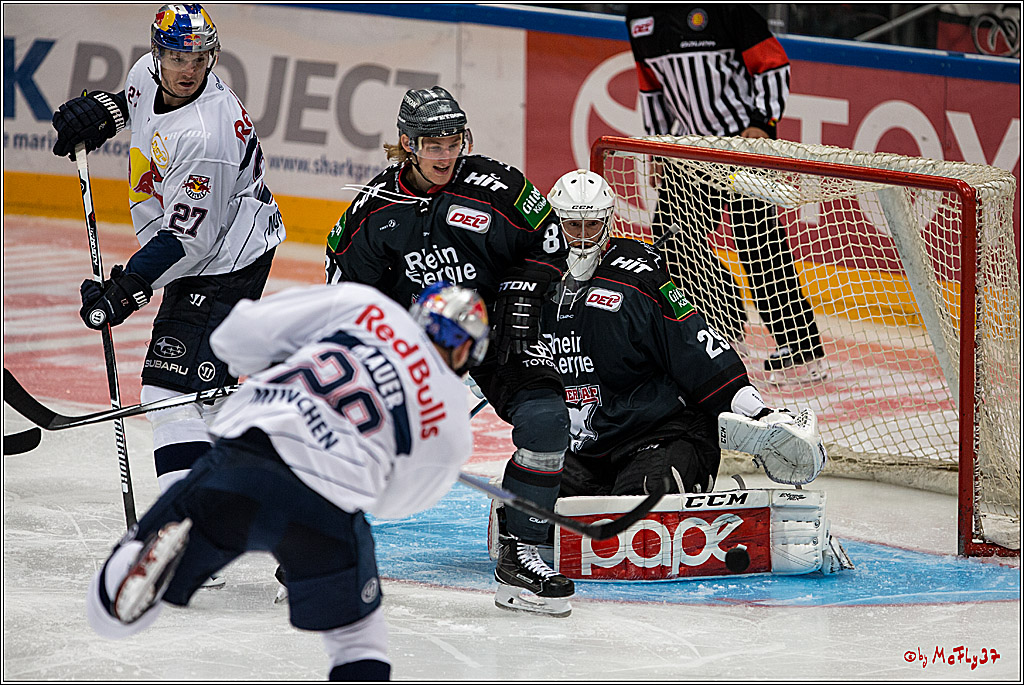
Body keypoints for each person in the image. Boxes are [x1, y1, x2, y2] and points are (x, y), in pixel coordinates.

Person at [85, 281, 490, 681]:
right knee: (359, 641)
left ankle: (136, 561)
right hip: (325, 511)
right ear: (465, 349)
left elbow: (235, 336)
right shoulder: (453, 417)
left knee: (110, 617)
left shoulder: (367, 305)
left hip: (244, 464)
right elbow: (392, 504)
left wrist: (278, 368)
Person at [325, 86, 575, 617]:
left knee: (548, 420)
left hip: (498, 328)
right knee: (356, 428)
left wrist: (523, 289)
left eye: (453, 140)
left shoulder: (498, 186)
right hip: (414, 340)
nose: (445, 154)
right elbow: (347, 289)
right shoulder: (373, 210)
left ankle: (522, 552)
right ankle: (319, 549)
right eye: (432, 142)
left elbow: (550, 240)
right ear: (406, 144)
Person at [50, 4, 285, 507]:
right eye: (176, 55)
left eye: (199, 57)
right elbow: (135, 104)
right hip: (203, 248)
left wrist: (125, 288)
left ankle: (186, 531)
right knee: (206, 399)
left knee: (167, 391)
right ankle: (261, 501)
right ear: (156, 53)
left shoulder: (207, 136)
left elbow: (190, 241)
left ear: (212, 57)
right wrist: (105, 113)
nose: (188, 69)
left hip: (224, 260)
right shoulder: (144, 74)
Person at [544, 169, 826, 498]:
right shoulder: (537, 282)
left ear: (607, 223)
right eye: (572, 225)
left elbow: (697, 345)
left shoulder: (638, 280)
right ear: (555, 224)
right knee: (525, 502)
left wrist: (757, 411)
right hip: (590, 446)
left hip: (660, 432)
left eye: (591, 224)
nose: (582, 237)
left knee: (640, 509)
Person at [625, 4, 826, 383]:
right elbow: (650, 87)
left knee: (760, 246)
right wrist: (657, 145)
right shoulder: (639, 17)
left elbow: (773, 63)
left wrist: (763, 123)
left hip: (742, 147)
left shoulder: (727, 9)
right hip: (689, 152)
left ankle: (802, 351)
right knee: (673, 244)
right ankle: (726, 324)